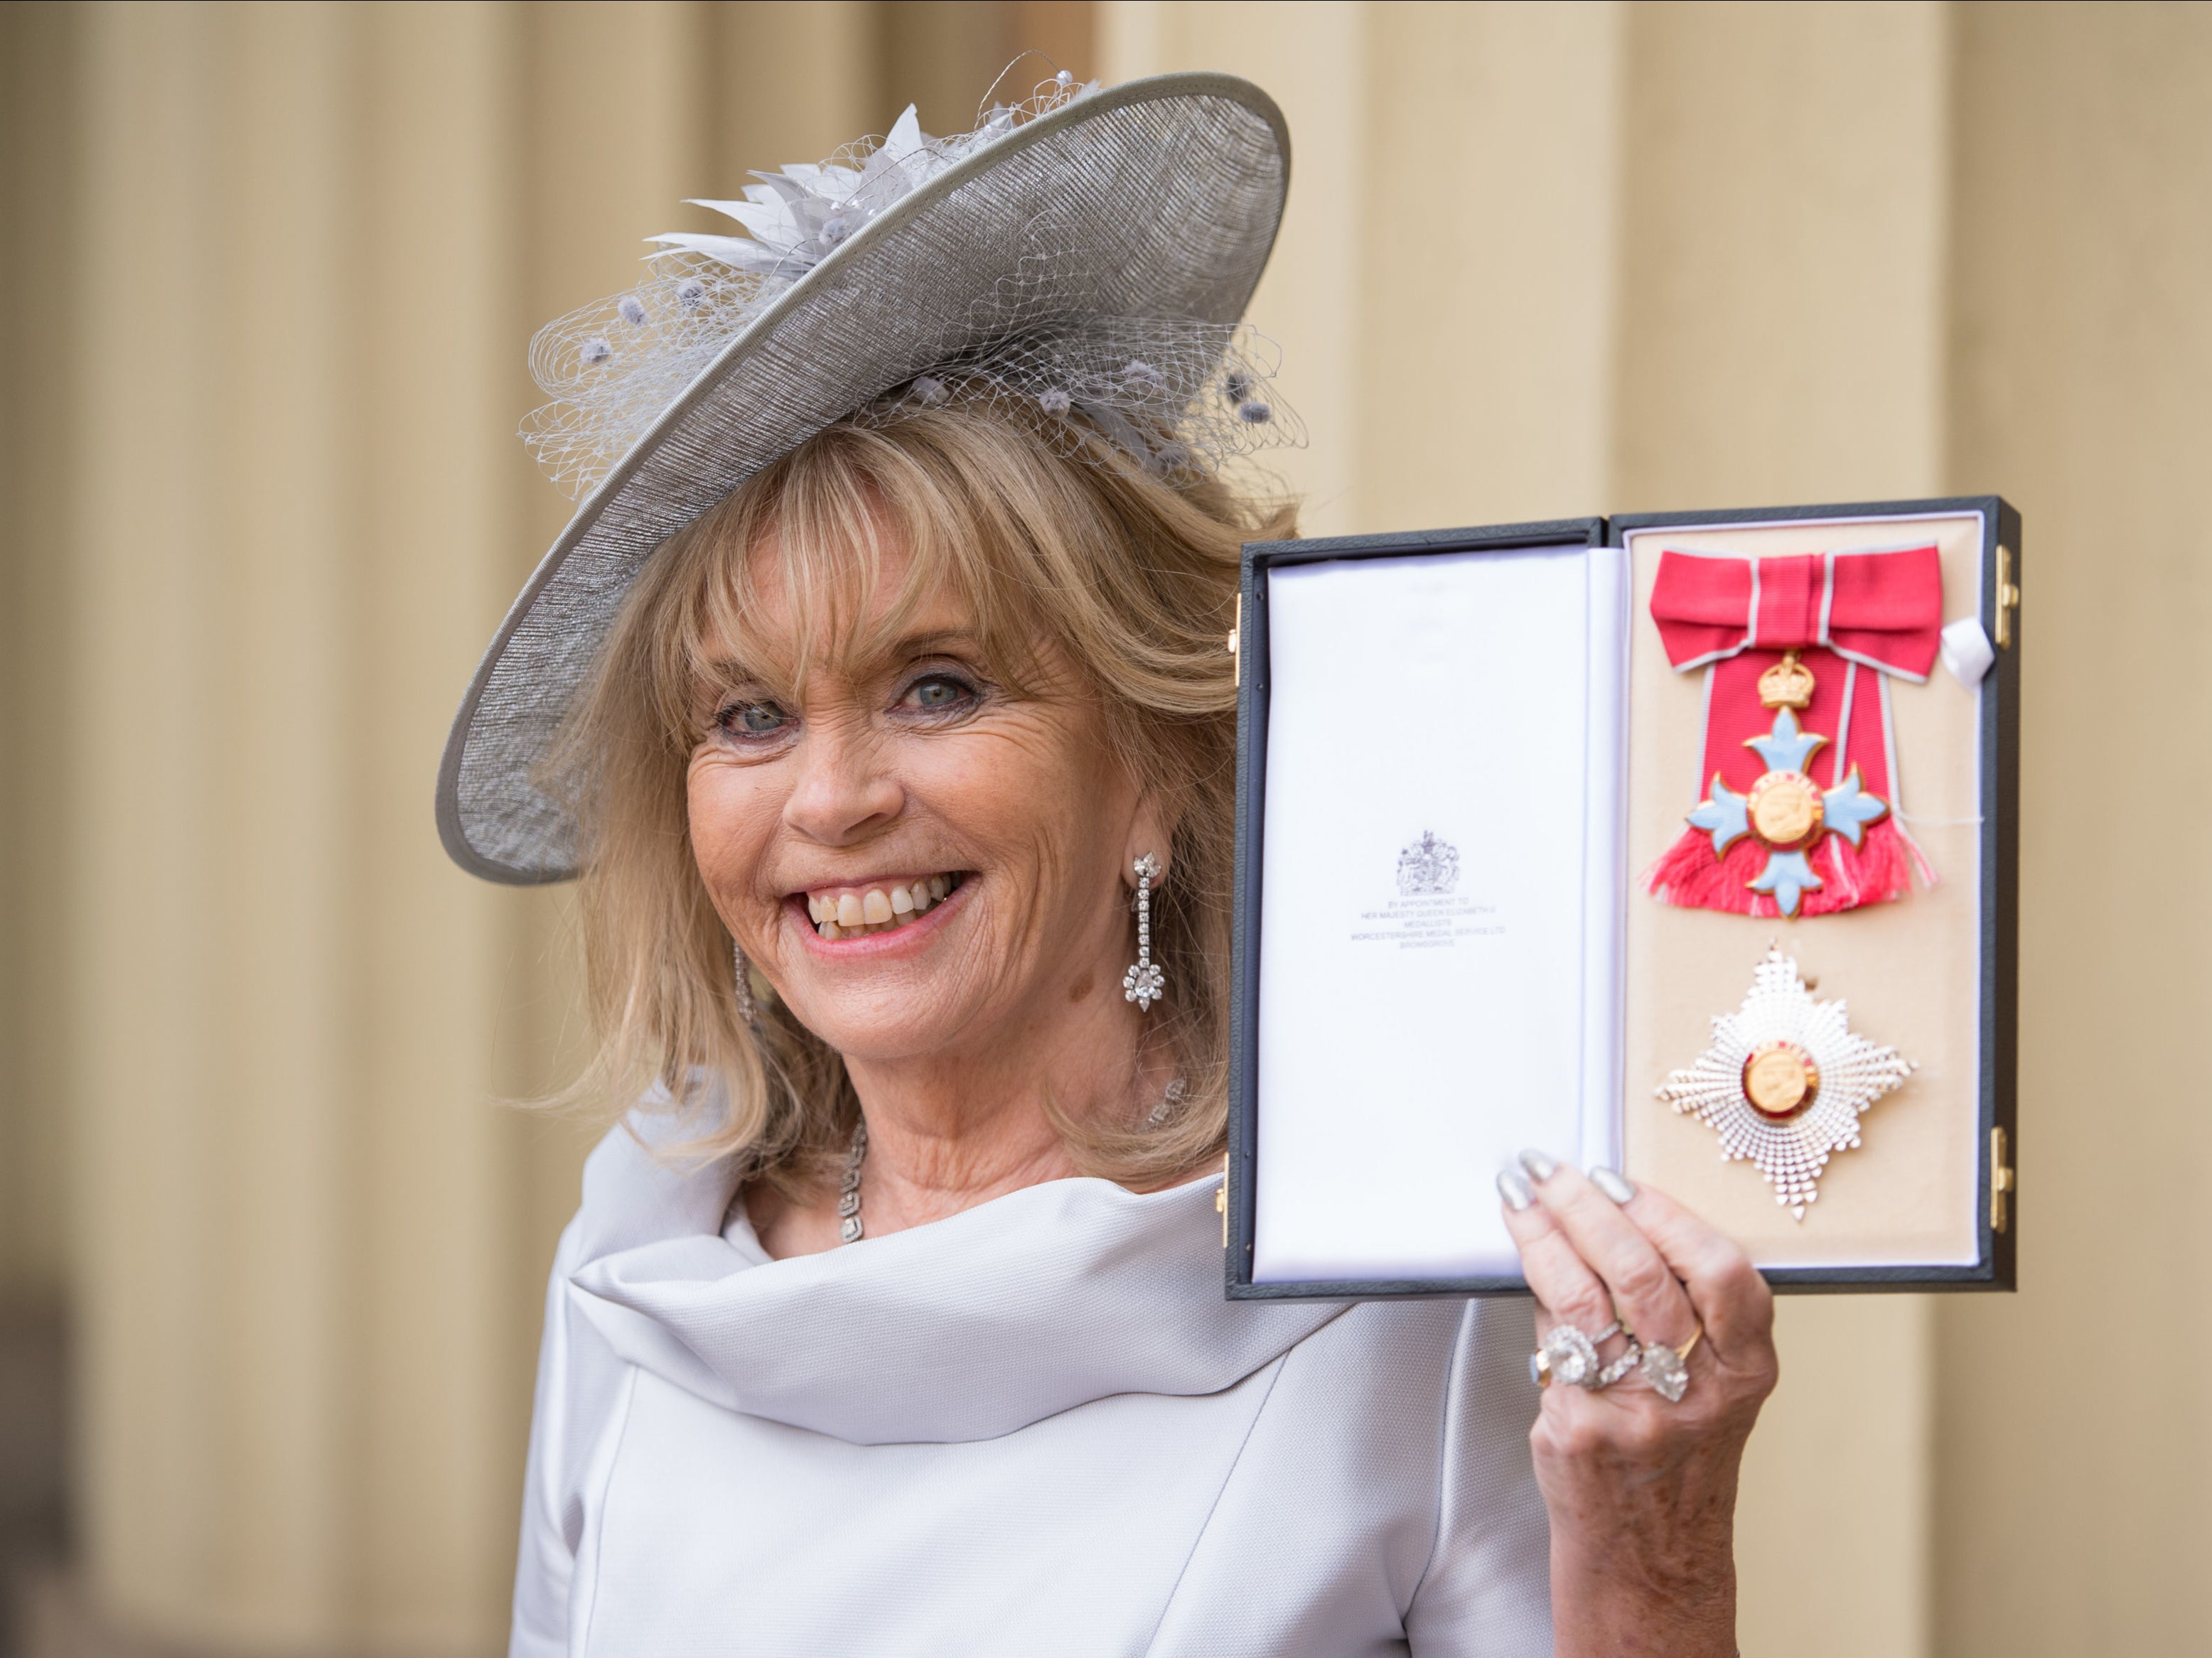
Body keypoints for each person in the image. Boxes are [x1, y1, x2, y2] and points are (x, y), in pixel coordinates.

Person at [437, 70, 1777, 1658]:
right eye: (745, 715)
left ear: (1150, 763)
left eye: (937, 684)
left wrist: (1654, 1559)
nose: (833, 797)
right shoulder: (641, 1256)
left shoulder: (1399, 1309)